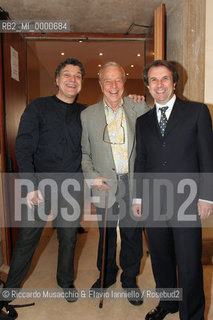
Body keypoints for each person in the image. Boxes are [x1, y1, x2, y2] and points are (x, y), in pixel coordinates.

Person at [0, 57, 86, 319]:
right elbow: (24, 147)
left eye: (78, 76)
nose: (73, 79)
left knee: (69, 237)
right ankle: (8, 292)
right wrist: (30, 185)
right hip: (40, 185)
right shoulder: (38, 107)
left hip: (72, 186)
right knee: (27, 239)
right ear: (57, 80)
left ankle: (65, 281)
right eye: (67, 74)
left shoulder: (86, 112)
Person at [133, 60, 213, 320]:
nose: (159, 84)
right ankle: (168, 304)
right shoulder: (143, 121)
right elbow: (141, 160)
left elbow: (207, 156)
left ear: (174, 82)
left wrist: (206, 196)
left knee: (189, 262)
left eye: (164, 78)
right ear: (147, 85)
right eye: (153, 80)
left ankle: (192, 314)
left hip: (188, 200)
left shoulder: (197, 112)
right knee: (160, 257)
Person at [81, 61, 149, 306]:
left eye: (117, 80)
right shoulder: (87, 115)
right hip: (105, 185)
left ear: (125, 82)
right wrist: (92, 177)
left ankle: (129, 280)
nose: (113, 85)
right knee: (106, 234)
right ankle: (106, 275)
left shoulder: (139, 107)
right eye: (107, 80)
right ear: (100, 84)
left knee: (131, 234)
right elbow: (84, 154)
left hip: (131, 183)